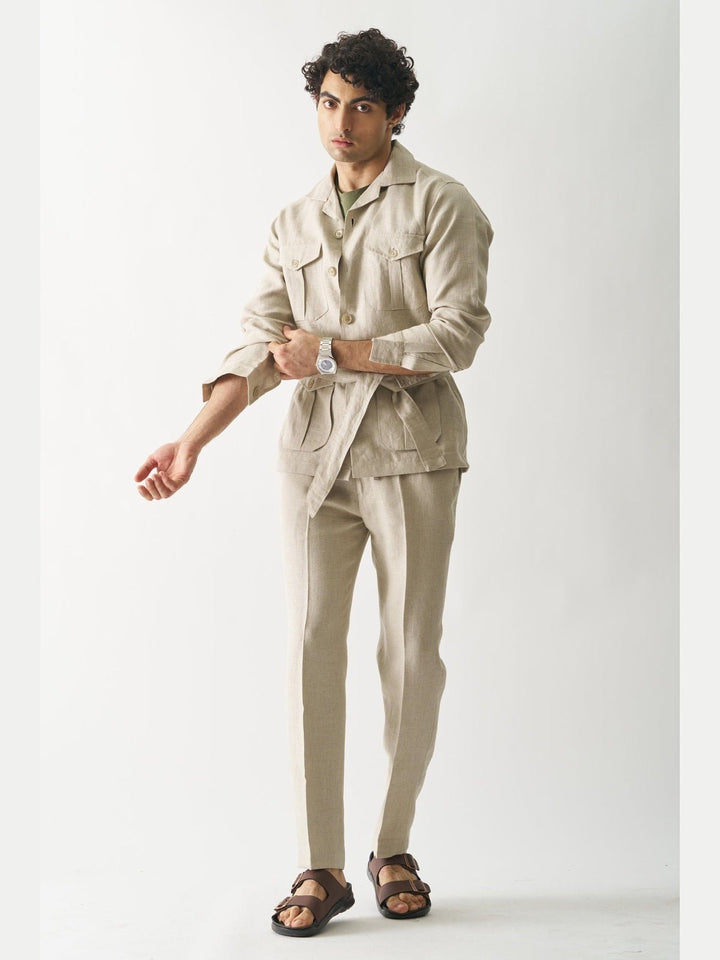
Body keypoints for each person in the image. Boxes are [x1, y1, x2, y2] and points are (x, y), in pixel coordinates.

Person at [135, 27, 493, 937]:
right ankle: (320, 866)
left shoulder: (443, 204)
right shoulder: (292, 223)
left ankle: (394, 848)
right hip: (313, 460)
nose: (342, 122)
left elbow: (458, 334)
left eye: (363, 105)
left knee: (410, 653)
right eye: (330, 102)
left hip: (412, 452)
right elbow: (263, 350)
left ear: (396, 113)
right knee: (307, 648)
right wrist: (190, 443)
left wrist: (335, 352)